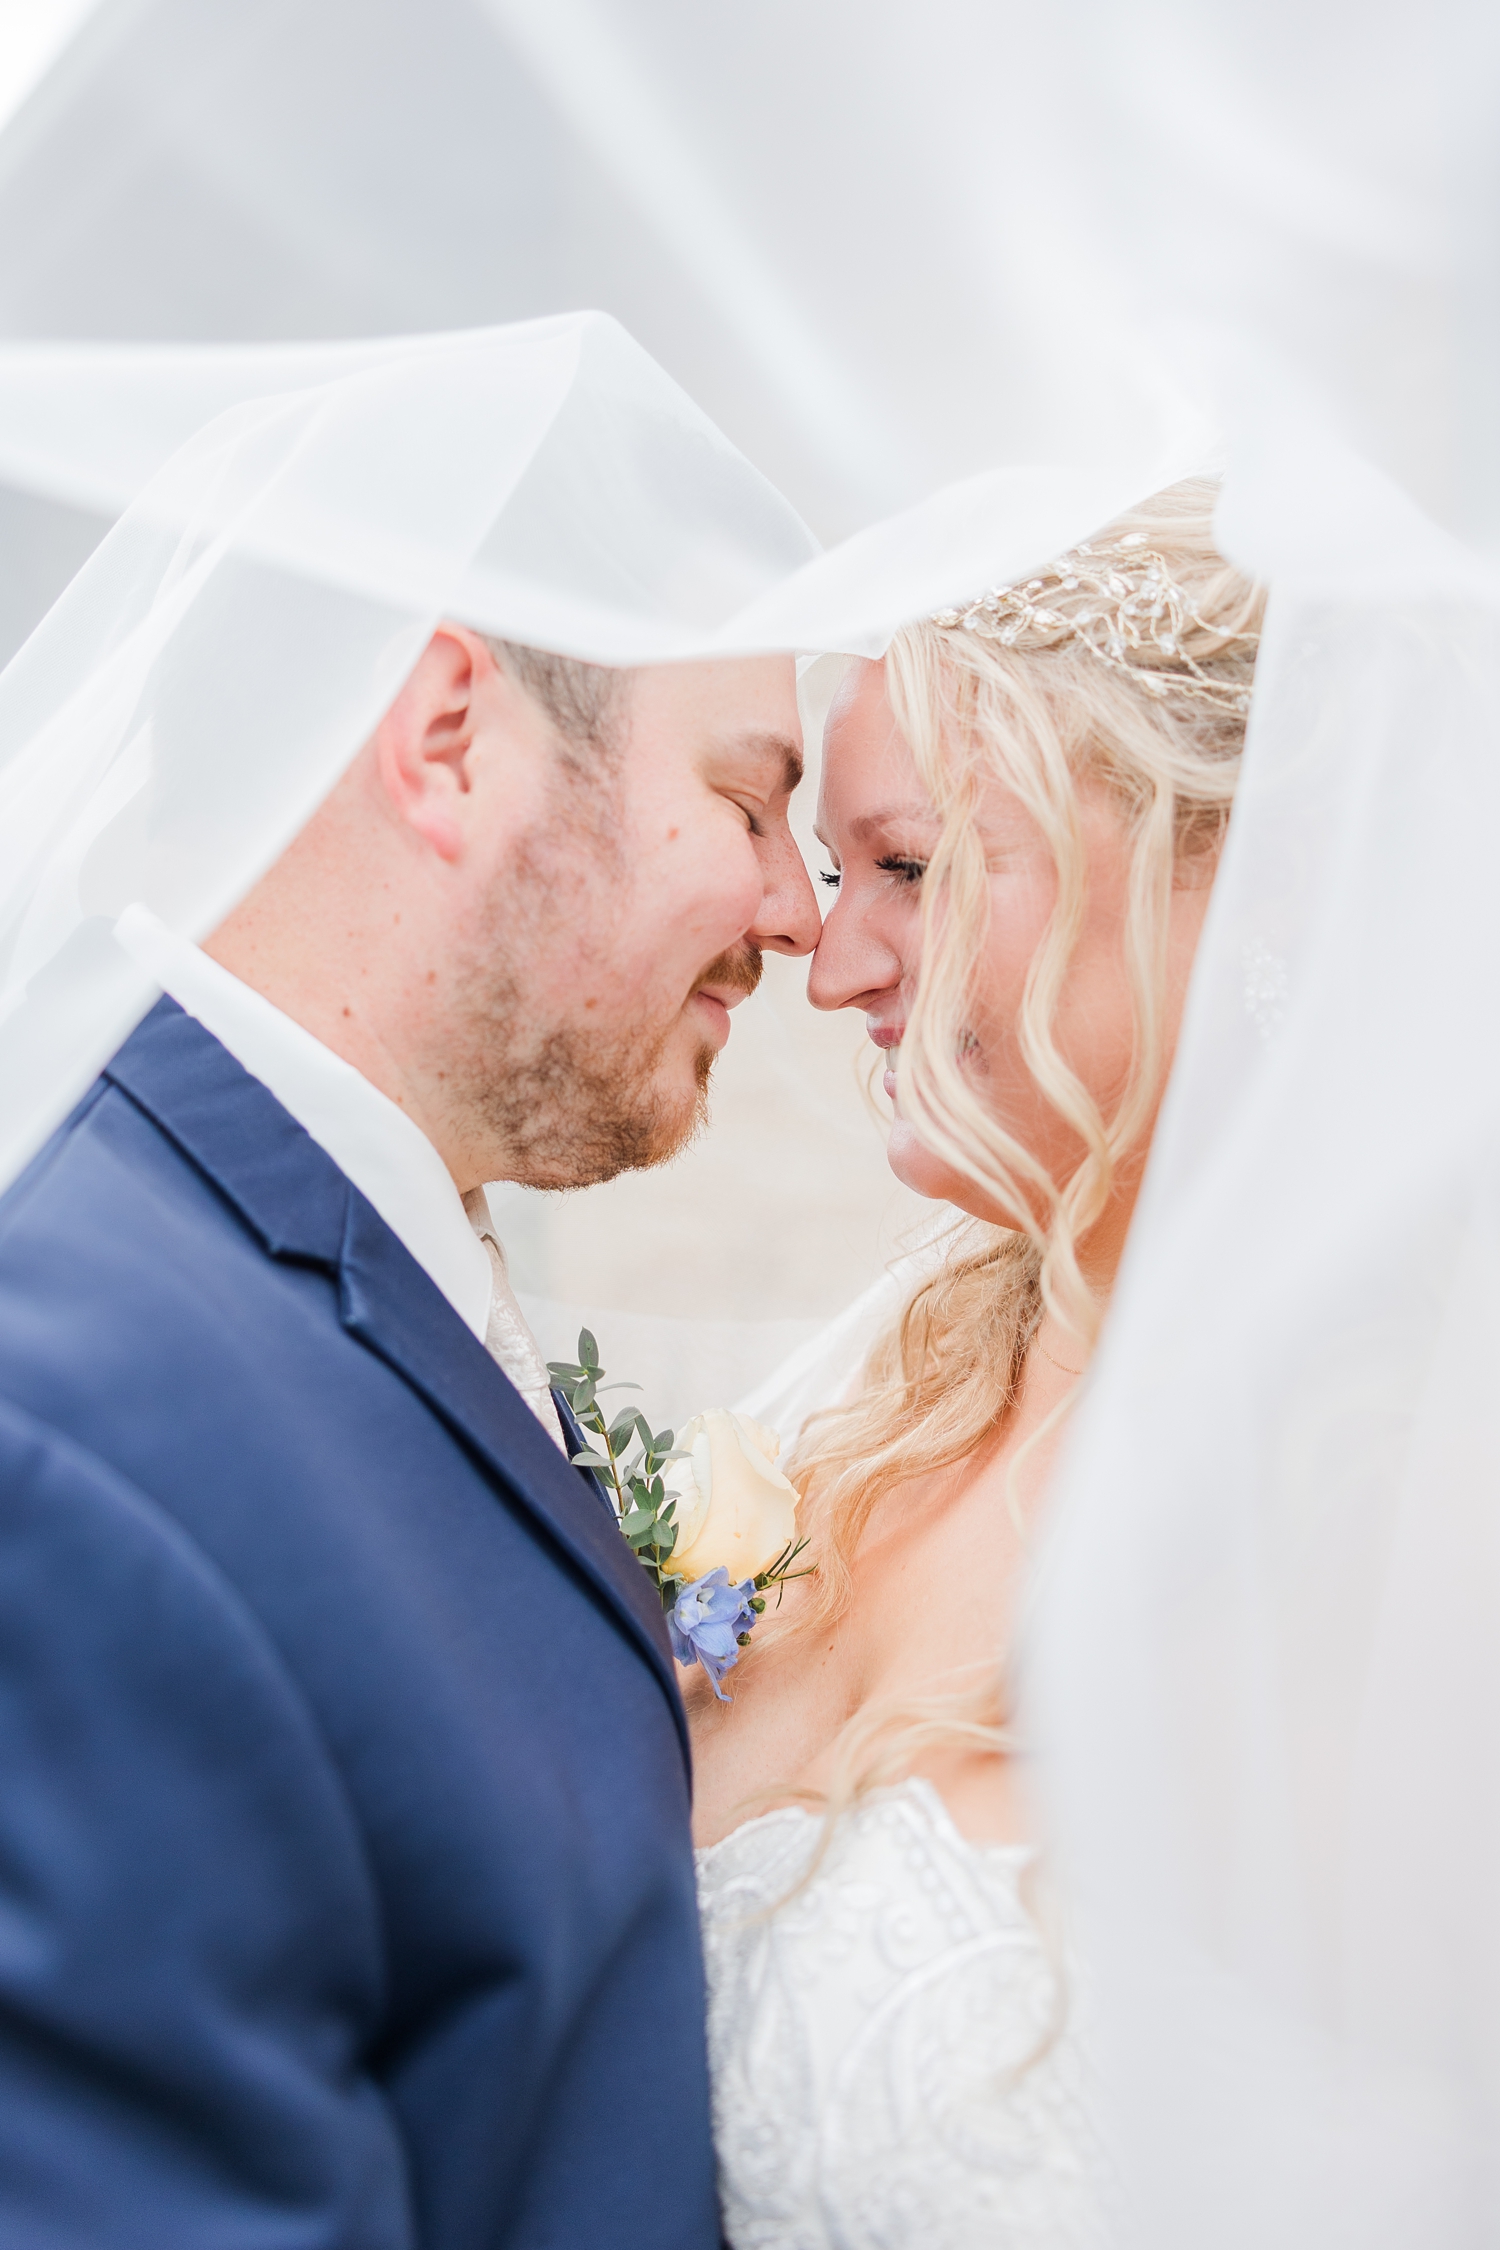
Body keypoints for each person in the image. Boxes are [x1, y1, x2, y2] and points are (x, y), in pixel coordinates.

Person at [0, 614, 819, 2244]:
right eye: (745, 804)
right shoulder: (70, 1434)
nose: (796, 911)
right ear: (448, 737)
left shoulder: (346, 1256)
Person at [686, 479, 1264, 2248]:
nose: (831, 956)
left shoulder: (1392, 1482)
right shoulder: (878, 1392)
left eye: (912, 866)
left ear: (1227, 869)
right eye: (836, 871)